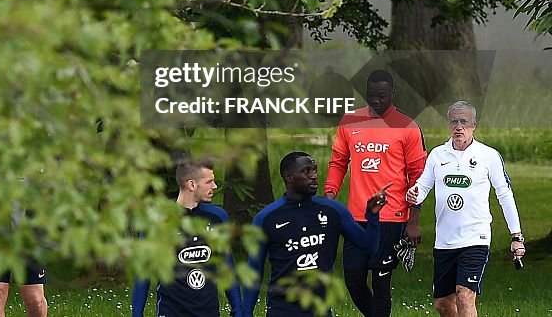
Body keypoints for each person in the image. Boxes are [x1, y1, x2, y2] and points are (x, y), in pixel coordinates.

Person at [406, 101, 525, 317]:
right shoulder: (437, 155)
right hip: (444, 241)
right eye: (454, 122)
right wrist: (414, 193)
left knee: (464, 295)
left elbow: (505, 195)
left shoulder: (488, 156)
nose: (459, 127)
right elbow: (422, 186)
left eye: (464, 122)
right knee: (443, 304)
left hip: (475, 238)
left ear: (474, 125)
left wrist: (516, 235)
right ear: (448, 125)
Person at [323, 68, 427, 317]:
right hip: (355, 217)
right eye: (371, 95)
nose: (376, 100)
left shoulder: (407, 127)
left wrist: (413, 221)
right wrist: (329, 196)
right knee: (354, 280)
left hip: (391, 218)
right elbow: (339, 162)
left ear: (392, 92)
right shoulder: (350, 121)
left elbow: (419, 178)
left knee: (381, 282)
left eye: (382, 95)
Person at [242, 152, 391, 317]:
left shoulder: (333, 211)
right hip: (281, 310)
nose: (314, 176)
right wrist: (245, 313)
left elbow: (368, 246)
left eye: (314, 170)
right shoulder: (266, 218)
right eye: (306, 171)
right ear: (289, 177)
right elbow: (254, 271)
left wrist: (372, 215)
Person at [131, 156, 243, 316]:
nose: (215, 186)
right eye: (209, 181)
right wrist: (137, 314)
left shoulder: (217, 217)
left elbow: (227, 267)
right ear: (192, 184)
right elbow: (143, 274)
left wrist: (238, 311)